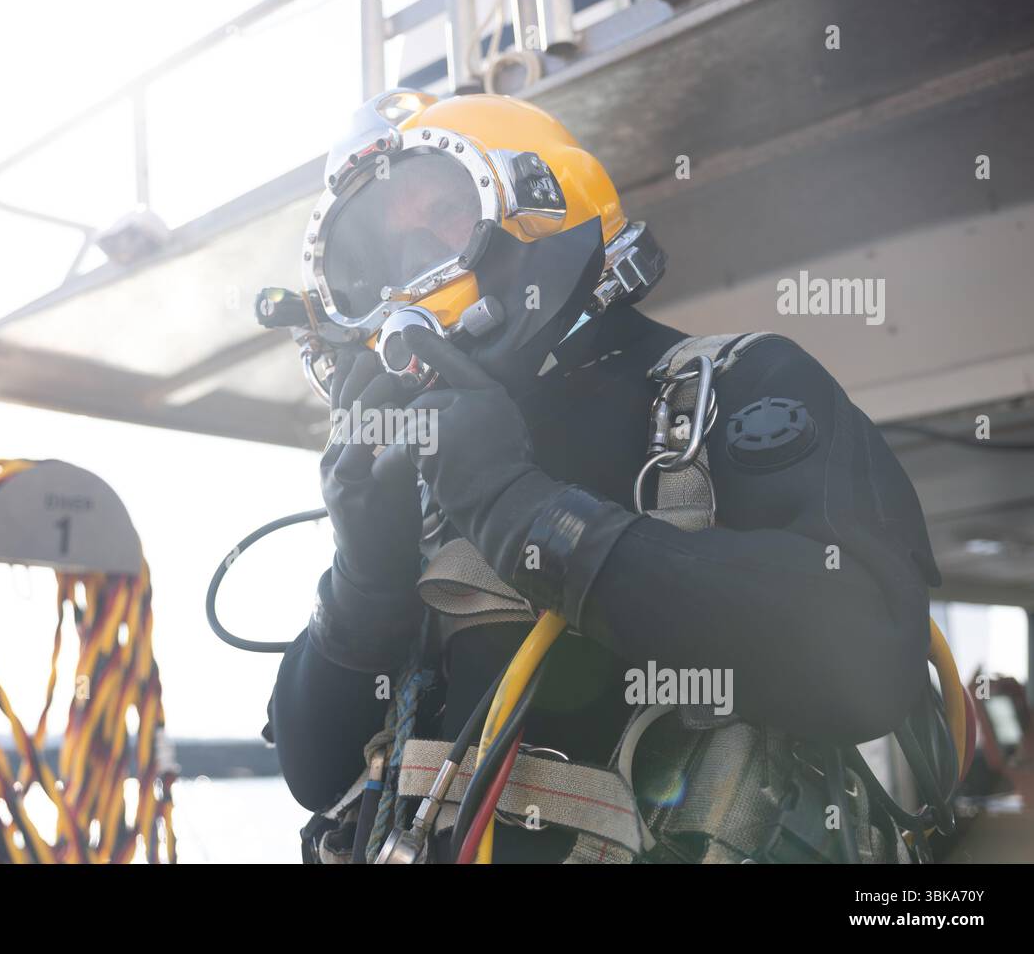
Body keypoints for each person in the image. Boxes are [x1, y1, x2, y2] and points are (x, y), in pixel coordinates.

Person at [263, 90, 940, 864]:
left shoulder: (733, 385)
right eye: (379, 258)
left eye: (439, 217)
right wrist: (364, 576)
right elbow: (318, 774)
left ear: (540, 199)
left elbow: (871, 661)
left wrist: (526, 514)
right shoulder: (428, 482)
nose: (406, 271)